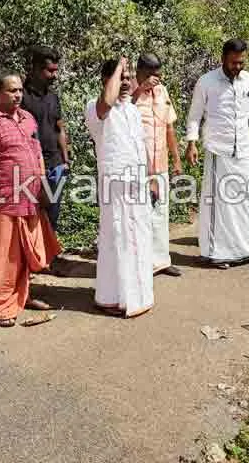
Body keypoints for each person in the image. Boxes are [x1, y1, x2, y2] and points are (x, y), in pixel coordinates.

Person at [0, 73, 61, 327]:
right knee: (4, 256)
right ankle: (0, 307)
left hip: (30, 197)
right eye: (12, 91)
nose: (18, 95)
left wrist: (42, 186)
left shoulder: (28, 119)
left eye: (19, 90)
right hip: (3, 198)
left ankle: (22, 296)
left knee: (26, 253)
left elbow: (37, 153)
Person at [185, 39, 249, 270]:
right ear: (222, 58)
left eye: (241, 62)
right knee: (217, 203)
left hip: (243, 150)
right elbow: (194, 115)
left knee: (247, 199)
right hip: (217, 150)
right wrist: (191, 143)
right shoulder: (207, 82)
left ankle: (246, 250)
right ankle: (215, 253)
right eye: (233, 62)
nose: (238, 67)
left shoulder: (248, 80)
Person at [84, 57, 154, 318]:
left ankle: (136, 294)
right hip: (115, 185)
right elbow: (106, 104)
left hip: (137, 184)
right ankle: (111, 297)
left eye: (128, 77)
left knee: (138, 237)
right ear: (105, 80)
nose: (125, 82)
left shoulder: (132, 110)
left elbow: (139, 146)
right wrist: (118, 68)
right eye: (119, 78)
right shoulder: (96, 108)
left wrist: (150, 179)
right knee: (116, 238)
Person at [132, 52, 183, 277]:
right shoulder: (129, 90)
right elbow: (118, 111)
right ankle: (141, 263)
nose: (156, 80)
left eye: (159, 75)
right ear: (140, 71)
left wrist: (176, 158)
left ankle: (161, 261)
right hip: (137, 165)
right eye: (152, 75)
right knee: (140, 214)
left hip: (160, 162)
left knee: (160, 213)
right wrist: (140, 88)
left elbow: (169, 127)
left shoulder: (162, 91)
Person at [21, 46, 69, 232]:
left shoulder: (53, 97)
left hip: (55, 165)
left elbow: (59, 128)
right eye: (50, 71)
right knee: (32, 212)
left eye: (56, 71)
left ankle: (49, 257)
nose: (54, 75)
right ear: (36, 69)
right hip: (31, 166)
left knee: (52, 213)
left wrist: (65, 160)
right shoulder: (22, 97)